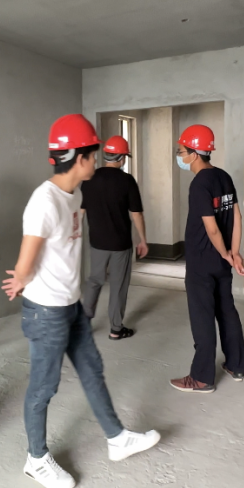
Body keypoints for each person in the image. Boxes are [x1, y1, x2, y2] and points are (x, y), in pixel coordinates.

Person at [3, 114, 160, 488]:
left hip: (70, 306)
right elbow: (25, 261)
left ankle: (117, 438)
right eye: (92, 153)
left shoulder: (75, 195)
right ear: (80, 158)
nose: (97, 159)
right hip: (46, 311)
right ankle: (35, 459)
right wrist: (21, 279)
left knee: (92, 370)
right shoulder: (44, 201)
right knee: (44, 387)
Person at [170, 124, 244, 394]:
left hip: (202, 262)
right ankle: (236, 365)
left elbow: (211, 228)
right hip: (221, 262)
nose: (180, 156)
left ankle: (202, 378)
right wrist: (233, 252)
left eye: (181, 151)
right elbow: (237, 216)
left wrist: (227, 253)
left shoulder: (199, 183)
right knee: (226, 310)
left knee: (202, 316)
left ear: (194, 154)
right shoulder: (224, 177)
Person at [80, 135, 148, 340]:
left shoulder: (89, 178)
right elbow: (136, 214)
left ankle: (83, 326)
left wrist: (74, 234)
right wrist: (142, 240)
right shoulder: (127, 181)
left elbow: (81, 211)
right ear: (122, 158)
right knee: (118, 285)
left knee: (94, 281)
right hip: (120, 244)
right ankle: (116, 329)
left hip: (97, 242)